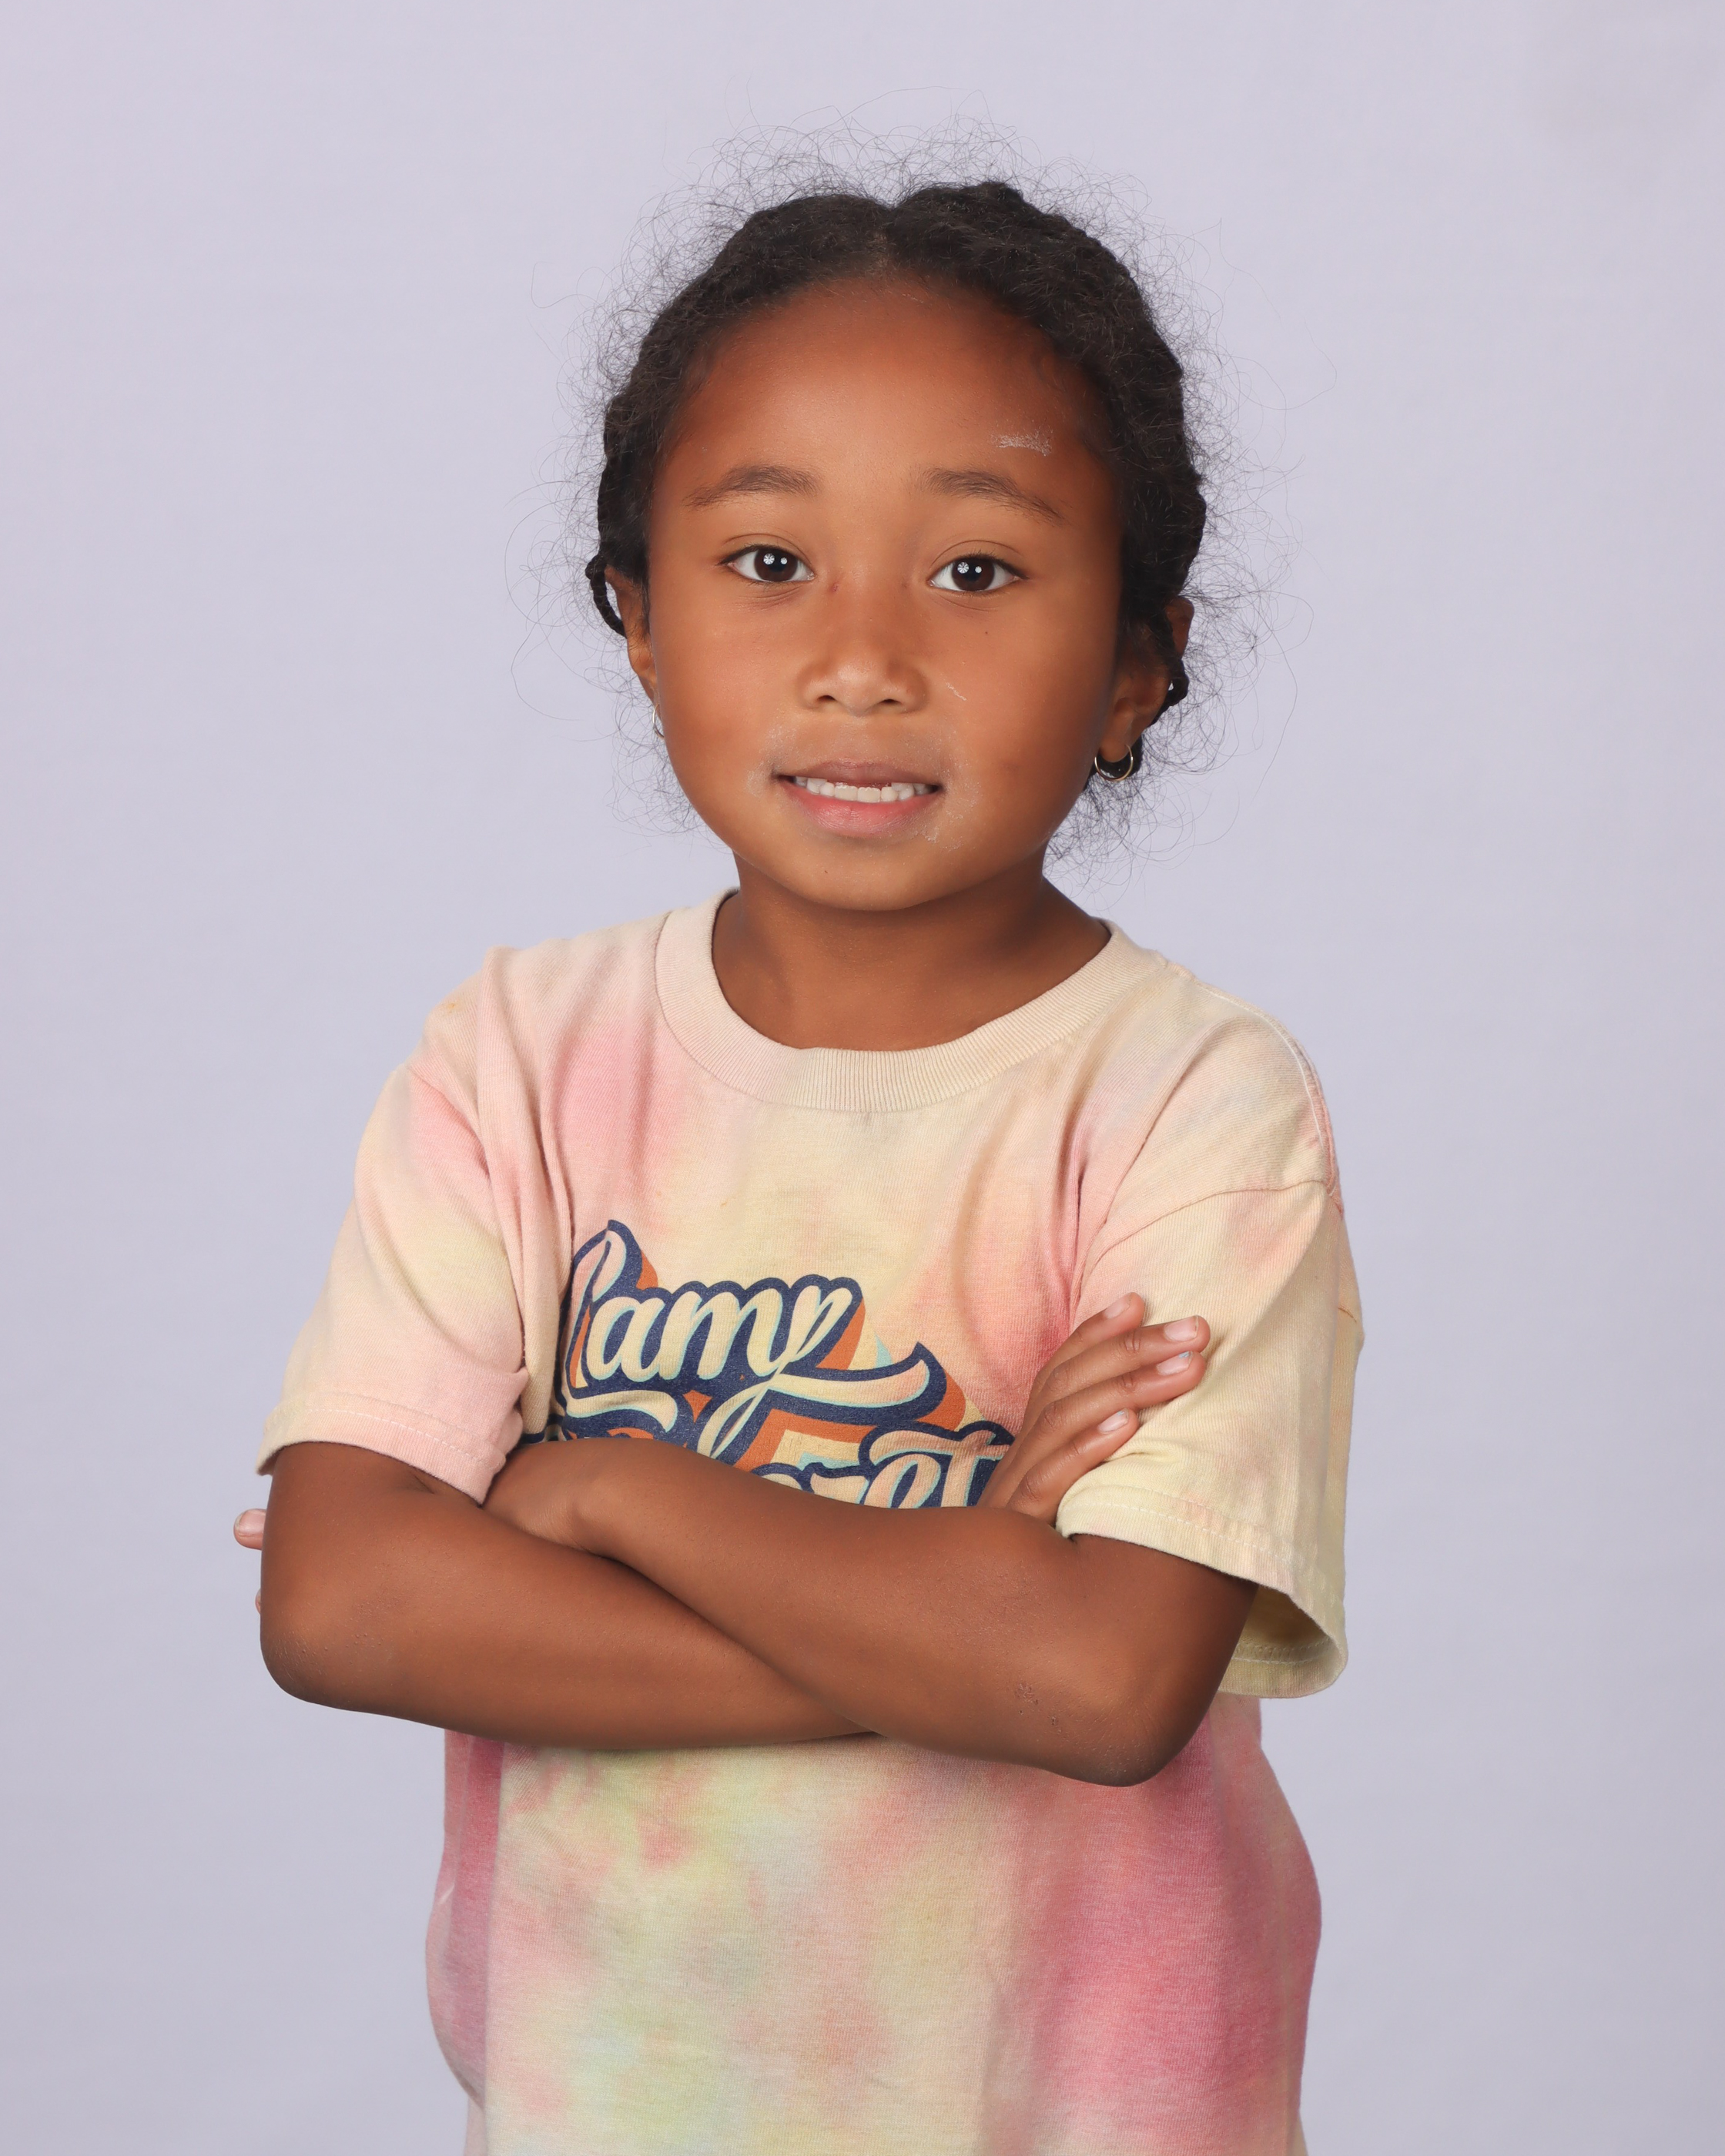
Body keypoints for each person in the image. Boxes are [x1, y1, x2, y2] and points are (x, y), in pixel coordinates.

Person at [240, 176, 1361, 2156]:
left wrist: (606, 1489)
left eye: (978, 571)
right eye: (767, 559)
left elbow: (1103, 1681)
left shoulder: (1190, 1097)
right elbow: (343, 1600)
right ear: (637, 618)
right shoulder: (519, 1056)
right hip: (615, 2105)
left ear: (1136, 660)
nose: (860, 658)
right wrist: (956, 1595)